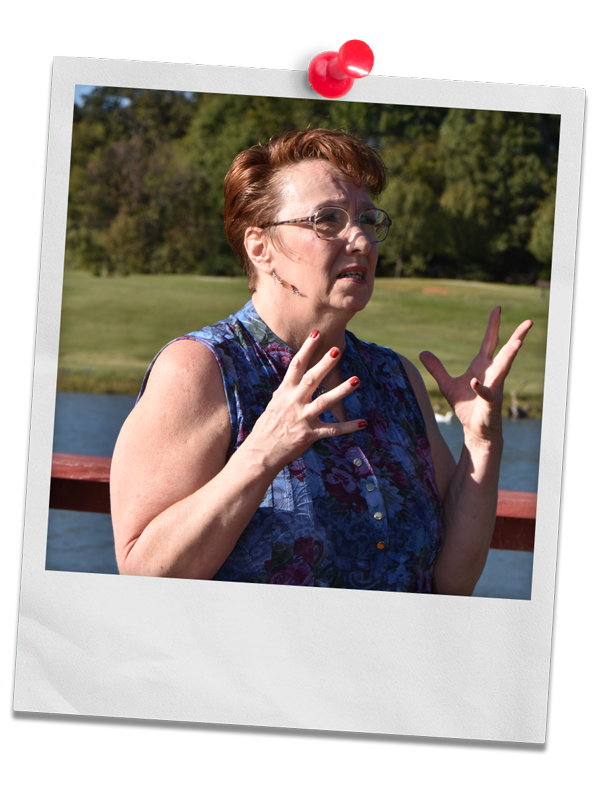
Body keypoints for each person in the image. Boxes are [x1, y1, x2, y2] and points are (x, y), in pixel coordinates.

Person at [110, 128, 533, 595]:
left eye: (367, 219)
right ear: (260, 247)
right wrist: (262, 453)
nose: (361, 240)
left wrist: (482, 442)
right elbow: (144, 575)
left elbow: (452, 582)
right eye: (328, 220)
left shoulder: (396, 378)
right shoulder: (201, 369)